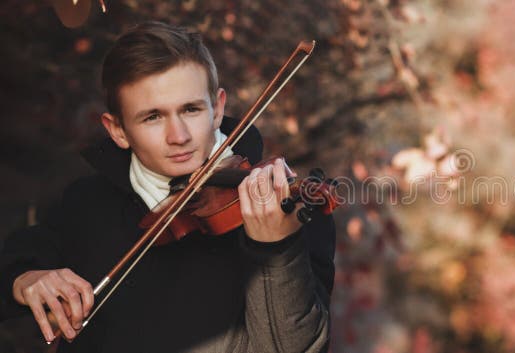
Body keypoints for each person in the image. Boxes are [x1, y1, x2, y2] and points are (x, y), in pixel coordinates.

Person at [0, 21, 335, 353]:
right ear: (117, 130)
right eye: (153, 117)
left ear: (217, 109)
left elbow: (298, 348)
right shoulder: (86, 204)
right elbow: (16, 259)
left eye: (190, 109)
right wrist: (24, 279)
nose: (179, 136)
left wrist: (275, 250)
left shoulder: (291, 213)